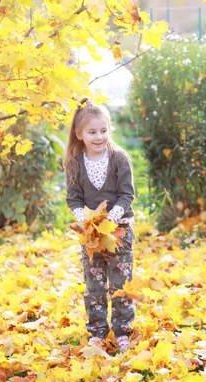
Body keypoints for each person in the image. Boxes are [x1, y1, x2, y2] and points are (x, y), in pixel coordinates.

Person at [63, 98, 135, 352]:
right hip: (91, 235)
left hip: (119, 231)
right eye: (92, 132)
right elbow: (73, 198)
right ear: (79, 134)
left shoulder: (119, 158)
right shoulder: (75, 162)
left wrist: (112, 217)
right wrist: (87, 220)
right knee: (94, 284)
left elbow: (127, 194)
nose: (99, 137)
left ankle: (123, 331)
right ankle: (97, 331)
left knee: (121, 283)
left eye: (103, 130)